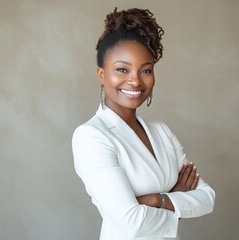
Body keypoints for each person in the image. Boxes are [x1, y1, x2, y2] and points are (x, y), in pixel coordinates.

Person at [72, 7, 215, 240]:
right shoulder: (91, 136)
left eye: (145, 70)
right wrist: (177, 199)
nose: (135, 80)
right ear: (101, 74)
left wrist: (159, 199)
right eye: (122, 69)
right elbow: (131, 224)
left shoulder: (161, 132)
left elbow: (208, 197)